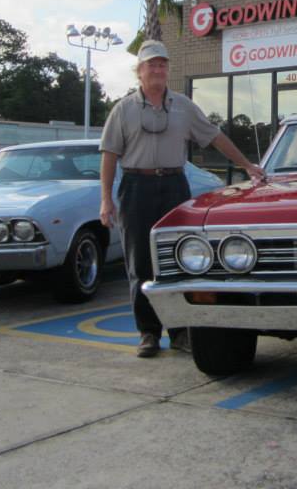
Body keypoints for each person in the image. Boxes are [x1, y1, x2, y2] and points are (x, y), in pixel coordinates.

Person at [99, 39, 264, 358]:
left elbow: (215, 136)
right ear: (139, 71)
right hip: (136, 187)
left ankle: (180, 332)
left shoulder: (184, 106)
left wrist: (246, 165)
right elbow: (109, 155)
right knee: (141, 262)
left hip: (175, 184)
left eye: (163, 64)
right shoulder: (123, 109)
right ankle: (148, 333)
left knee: (180, 259)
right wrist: (106, 200)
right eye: (151, 65)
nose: (158, 69)